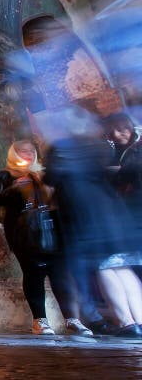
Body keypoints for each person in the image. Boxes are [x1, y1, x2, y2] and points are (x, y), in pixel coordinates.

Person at [46, 107, 140, 338]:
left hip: (84, 212)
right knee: (122, 266)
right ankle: (139, 319)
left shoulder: (60, 147)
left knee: (104, 267)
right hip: (111, 210)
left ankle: (127, 323)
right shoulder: (100, 146)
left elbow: (51, 177)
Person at [0, 140, 92, 336]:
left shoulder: (45, 171)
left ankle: (72, 319)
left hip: (54, 227)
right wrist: (16, 187)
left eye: (30, 151)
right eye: (22, 151)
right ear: (13, 154)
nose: (27, 155)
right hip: (24, 231)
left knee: (61, 274)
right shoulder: (5, 175)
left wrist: (47, 181)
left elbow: (62, 195)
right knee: (34, 274)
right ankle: (40, 320)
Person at [99, 113, 142, 335]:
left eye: (121, 129)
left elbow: (129, 176)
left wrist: (116, 175)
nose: (117, 134)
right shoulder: (115, 151)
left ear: (130, 126)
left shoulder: (137, 149)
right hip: (129, 215)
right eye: (112, 131)